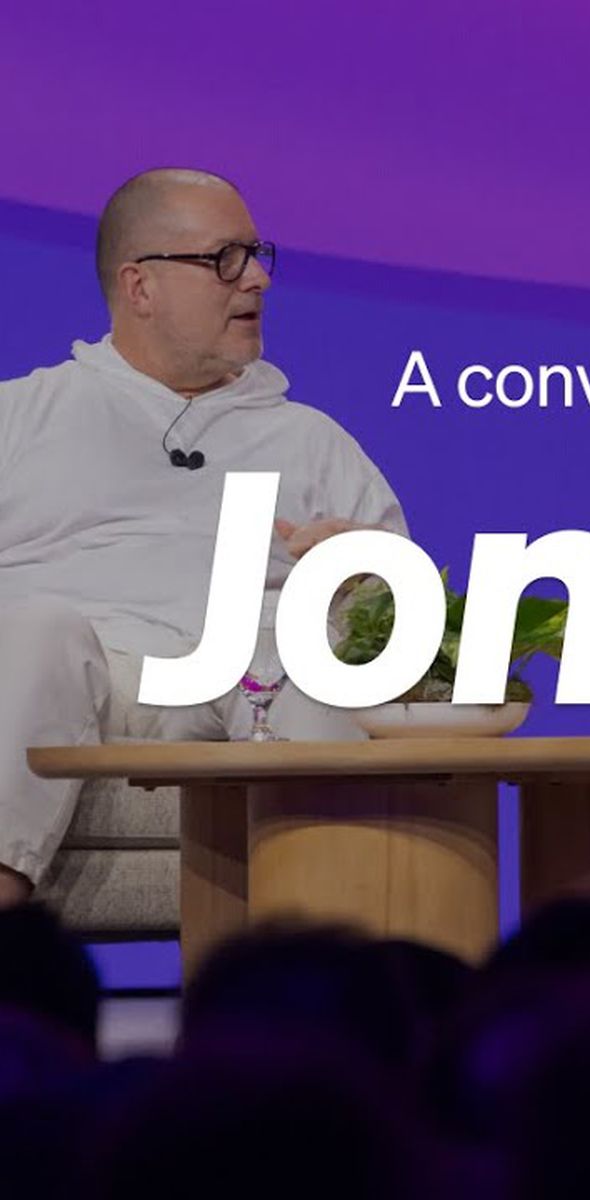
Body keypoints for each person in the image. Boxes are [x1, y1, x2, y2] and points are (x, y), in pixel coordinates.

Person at [0, 168, 405, 905]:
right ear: (140, 287)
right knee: (36, 631)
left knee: (308, 662)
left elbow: (413, 640)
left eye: (256, 255)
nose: (256, 279)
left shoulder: (313, 442)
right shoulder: (22, 417)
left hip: (247, 680)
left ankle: (328, 936)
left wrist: (361, 582)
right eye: (223, 258)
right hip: (68, 677)